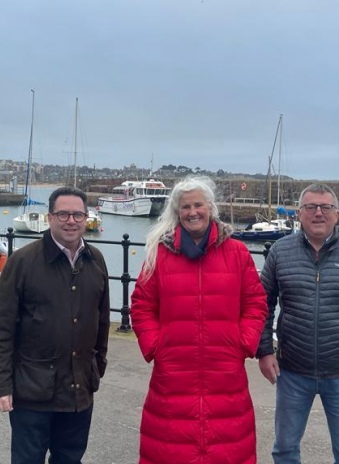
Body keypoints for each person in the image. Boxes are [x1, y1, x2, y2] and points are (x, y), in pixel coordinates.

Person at [131, 176, 268, 464]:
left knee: (227, 448)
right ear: (177, 212)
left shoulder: (237, 252)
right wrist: (157, 346)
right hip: (173, 371)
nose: (192, 212)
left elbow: (256, 303)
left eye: (198, 205)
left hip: (225, 370)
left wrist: (242, 343)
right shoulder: (159, 253)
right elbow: (142, 305)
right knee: (170, 448)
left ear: (210, 208)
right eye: (185, 207)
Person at [257, 183, 339, 464]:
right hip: (292, 371)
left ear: (337, 214)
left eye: (326, 207)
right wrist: (264, 350)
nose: (318, 213)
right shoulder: (280, 252)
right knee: (284, 450)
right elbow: (262, 305)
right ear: (299, 213)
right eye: (311, 207)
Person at [0, 186, 110, 464]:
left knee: (70, 459)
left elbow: (101, 322)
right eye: (63, 214)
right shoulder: (23, 261)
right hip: (32, 391)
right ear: (50, 217)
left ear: (86, 217)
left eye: (78, 214)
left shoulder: (95, 261)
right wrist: (0, 385)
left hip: (79, 390)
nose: (71, 221)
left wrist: (96, 367)